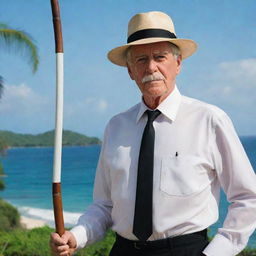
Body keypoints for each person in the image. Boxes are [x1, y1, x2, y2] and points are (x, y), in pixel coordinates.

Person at [50, 11, 256, 256]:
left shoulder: (210, 120)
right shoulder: (116, 126)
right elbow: (105, 205)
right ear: (130, 71)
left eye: (160, 57)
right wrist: (77, 236)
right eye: (141, 60)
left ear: (178, 64)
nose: (151, 67)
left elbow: (248, 198)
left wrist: (216, 253)